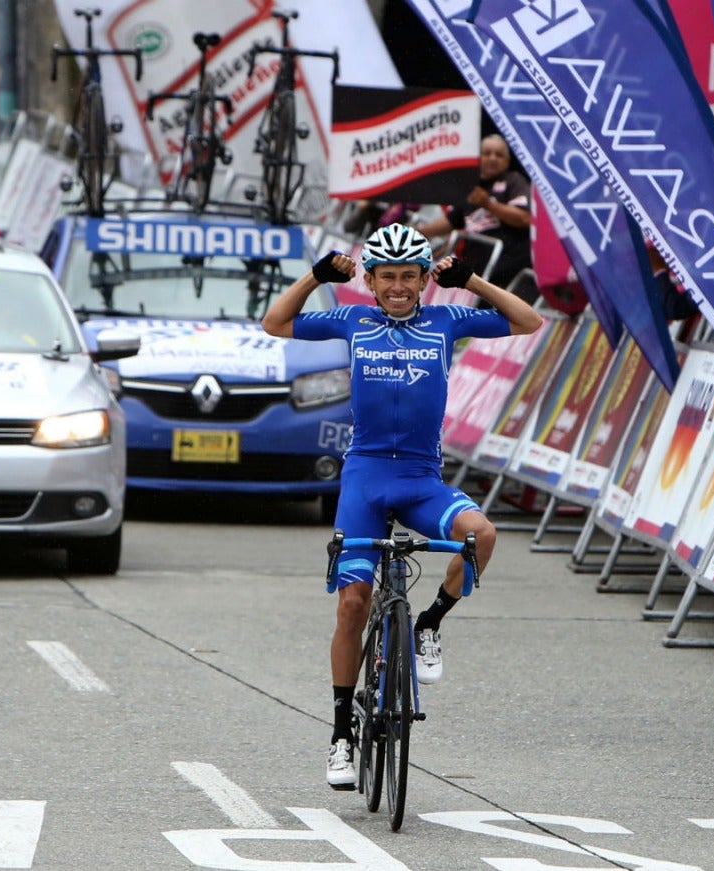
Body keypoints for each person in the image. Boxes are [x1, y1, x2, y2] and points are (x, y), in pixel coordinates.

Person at [261, 224, 543, 789]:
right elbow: (274, 322)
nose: (396, 287)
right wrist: (317, 275)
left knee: (481, 535)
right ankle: (342, 732)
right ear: (369, 280)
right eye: (386, 277)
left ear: (423, 281)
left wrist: (472, 282)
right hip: (365, 477)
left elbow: (528, 320)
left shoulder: (448, 319)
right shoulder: (351, 319)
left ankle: (429, 624)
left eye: (407, 277)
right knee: (352, 605)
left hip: (420, 480)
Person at [415, 133, 533, 292]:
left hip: (506, 275)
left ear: (507, 161)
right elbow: (450, 222)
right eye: (487, 153)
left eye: (499, 155)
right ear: (479, 157)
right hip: (475, 274)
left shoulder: (514, 181)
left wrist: (489, 204)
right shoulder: (472, 187)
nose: (493, 158)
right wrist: (415, 232)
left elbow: (524, 218)